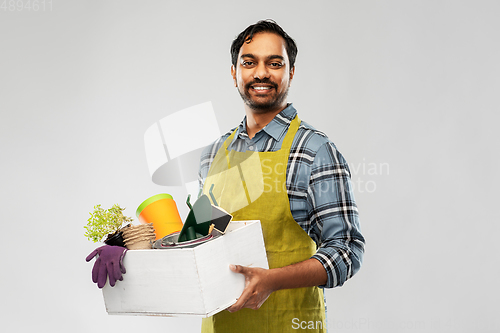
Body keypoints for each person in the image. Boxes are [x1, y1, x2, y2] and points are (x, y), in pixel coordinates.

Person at [198, 19, 365, 333]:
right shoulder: (213, 155)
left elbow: (347, 250)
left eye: (274, 63)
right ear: (234, 73)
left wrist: (273, 281)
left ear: (291, 72)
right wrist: (130, 249)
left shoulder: (314, 150)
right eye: (249, 62)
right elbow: (203, 241)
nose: (261, 73)